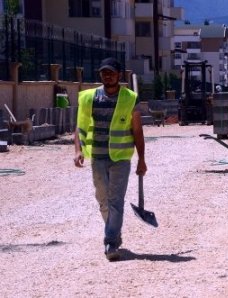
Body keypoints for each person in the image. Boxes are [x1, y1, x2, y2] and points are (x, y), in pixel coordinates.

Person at [73, 57, 147, 261]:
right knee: (102, 200)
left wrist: (142, 159)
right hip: (97, 157)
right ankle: (113, 230)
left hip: (120, 159)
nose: (108, 75)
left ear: (119, 75)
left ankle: (111, 242)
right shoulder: (90, 98)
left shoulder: (130, 98)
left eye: (111, 72)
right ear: (100, 75)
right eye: (104, 72)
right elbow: (79, 126)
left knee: (115, 202)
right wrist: (78, 150)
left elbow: (138, 131)